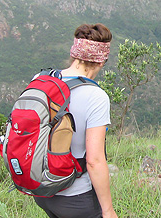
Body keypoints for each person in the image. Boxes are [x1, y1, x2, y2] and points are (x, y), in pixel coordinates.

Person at [33, 23, 118, 218]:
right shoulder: (96, 96)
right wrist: (108, 210)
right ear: (101, 61)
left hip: (42, 189)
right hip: (75, 197)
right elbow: (94, 161)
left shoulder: (42, 79)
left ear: (74, 54)